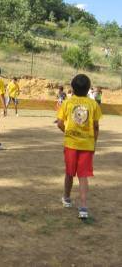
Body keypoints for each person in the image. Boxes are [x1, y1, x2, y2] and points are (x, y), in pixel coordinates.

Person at [57, 74, 102, 219]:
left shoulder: (67, 103)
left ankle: (67, 198)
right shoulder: (93, 104)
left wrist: (68, 133)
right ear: (89, 88)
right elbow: (96, 127)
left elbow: (59, 123)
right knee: (83, 176)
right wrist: (93, 143)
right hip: (87, 145)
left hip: (71, 144)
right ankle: (83, 207)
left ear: (73, 88)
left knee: (69, 173)